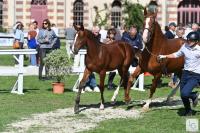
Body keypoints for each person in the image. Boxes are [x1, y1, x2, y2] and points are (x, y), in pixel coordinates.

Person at [158, 31, 200, 116]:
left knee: (185, 93)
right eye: (188, 40)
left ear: (196, 41)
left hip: (195, 75)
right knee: (183, 95)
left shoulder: (199, 50)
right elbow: (176, 54)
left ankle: (194, 95)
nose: (188, 42)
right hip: (185, 73)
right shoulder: (185, 46)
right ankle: (188, 111)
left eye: (191, 40)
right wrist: (165, 56)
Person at [84, 26, 100, 92]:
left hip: (95, 57)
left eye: (98, 32)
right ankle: (92, 85)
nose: (97, 33)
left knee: (91, 71)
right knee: (89, 70)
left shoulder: (98, 37)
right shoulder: (88, 37)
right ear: (92, 32)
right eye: (96, 32)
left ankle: (89, 85)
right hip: (87, 56)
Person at [165, 22, 179, 88]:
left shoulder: (173, 33)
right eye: (174, 26)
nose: (175, 27)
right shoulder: (168, 33)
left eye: (175, 26)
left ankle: (174, 81)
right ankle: (173, 82)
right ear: (170, 26)